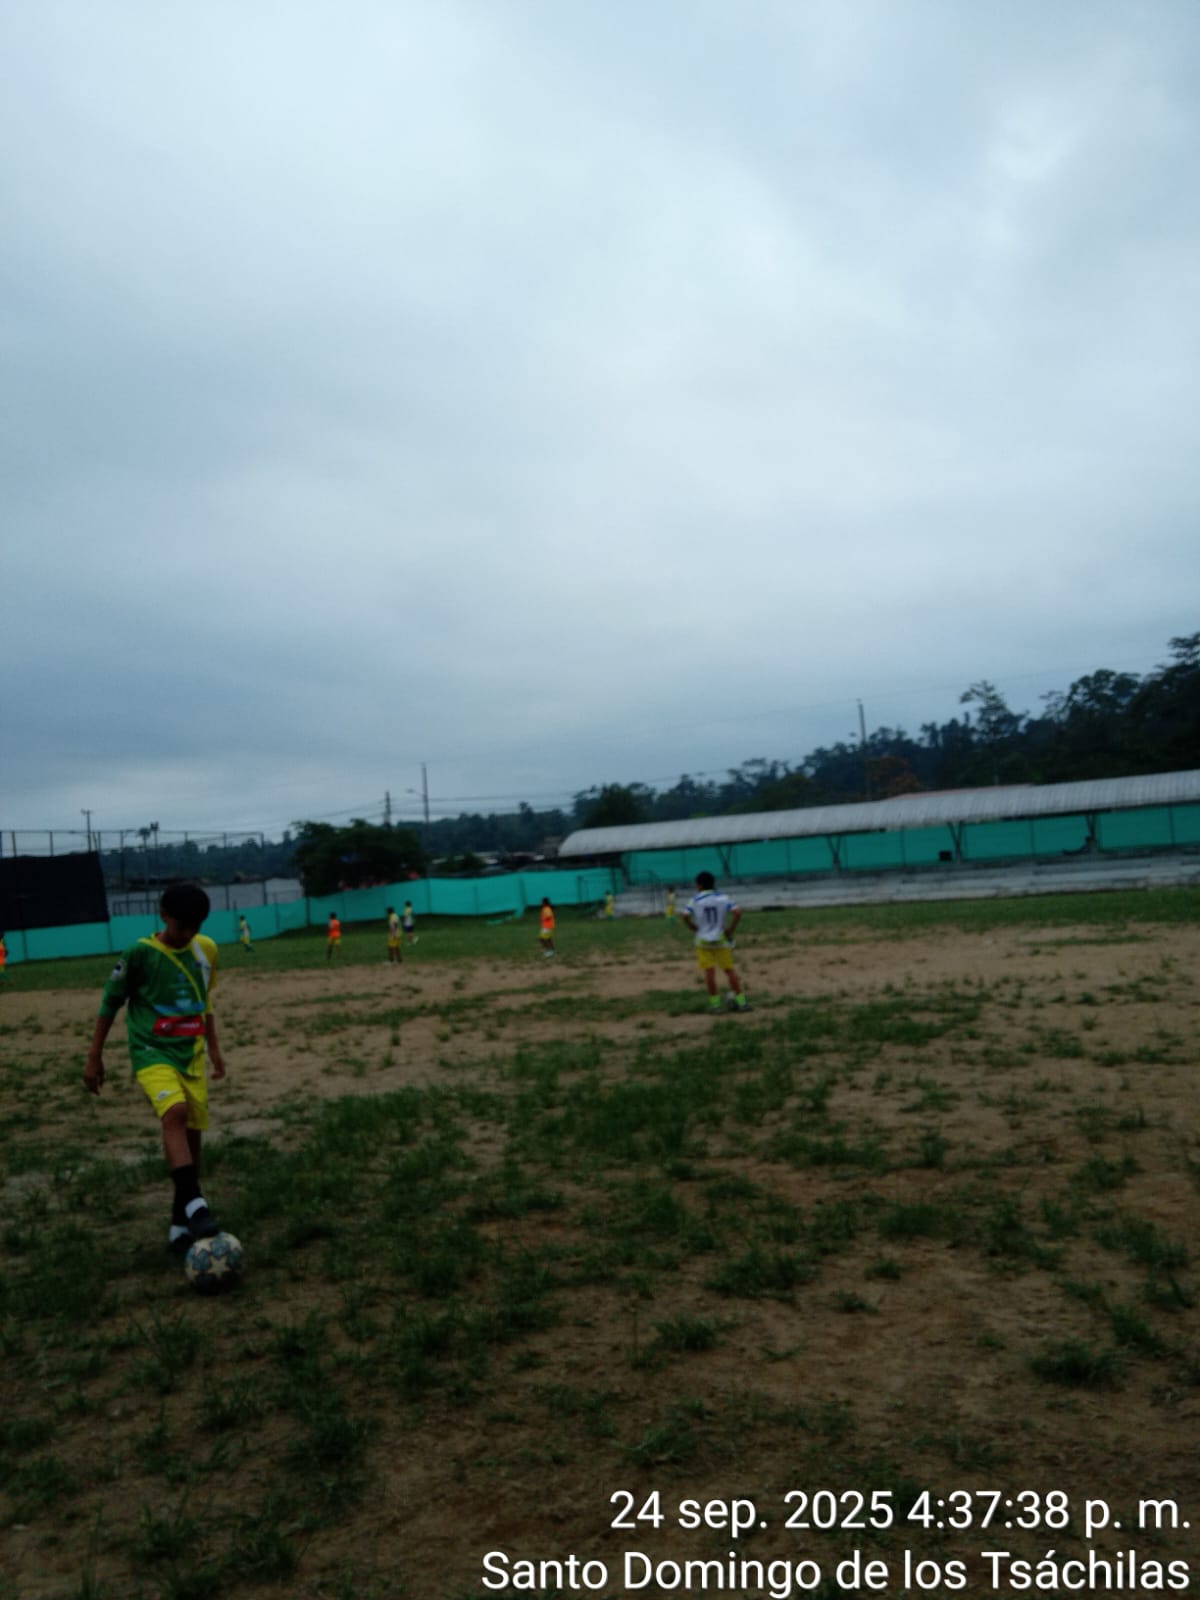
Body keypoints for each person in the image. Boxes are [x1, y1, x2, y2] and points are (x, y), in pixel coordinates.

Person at [83, 883, 226, 1253]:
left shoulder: (207, 950)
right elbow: (110, 1002)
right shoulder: (139, 954)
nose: (188, 934)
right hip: (151, 1051)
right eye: (181, 926)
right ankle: (197, 1206)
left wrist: (213, 1048)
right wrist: (94, 1055)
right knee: (174, 1112)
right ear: (163, 915)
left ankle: (180, 1223)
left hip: (190, 1055)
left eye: (196, 927)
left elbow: (204, 1000)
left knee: (192, 1139)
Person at [682, 871, 750, 1014]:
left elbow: (684, 914)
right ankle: (742, 1003)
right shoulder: (723, 898)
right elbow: (737, 912)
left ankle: (715, 1005)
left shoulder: (695, 899)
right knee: (729, 970)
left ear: (699, 885)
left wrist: (691, 926)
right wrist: (730, 930)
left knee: (709, 972)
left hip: (703, 941)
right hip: (721, 939)